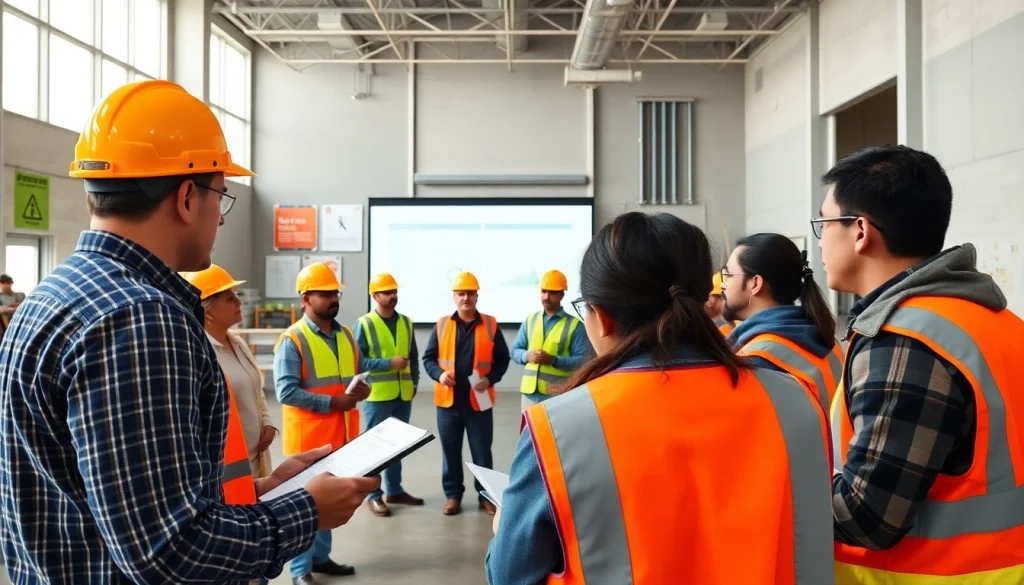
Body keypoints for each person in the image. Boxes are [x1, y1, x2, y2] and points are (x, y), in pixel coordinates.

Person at [0, 80, 380, 585]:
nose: (220, 220)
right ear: (185, 196)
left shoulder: (53, 295)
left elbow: (115, 507)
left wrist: (268, 492)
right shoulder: (138, 320)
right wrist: (305, 512)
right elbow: (167, 554)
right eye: (221, 196)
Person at [486, 211, 834, 585]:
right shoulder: (797, 403)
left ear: (601, 318)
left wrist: (507, 523)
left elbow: (509, 575)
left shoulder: (556, 429)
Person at [817, 145, 1024, 584]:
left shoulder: (905, 341)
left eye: (823, 223)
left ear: (859, 231)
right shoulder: (998, 322)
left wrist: (775, 486)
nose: (819, 241)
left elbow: (867, 516)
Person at [274, 262, 371, 584]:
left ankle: (321, 558)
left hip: (341, 436)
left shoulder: (345, 335)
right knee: (306, 505)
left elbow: (355, 374)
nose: (333, 298)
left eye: (334, 292)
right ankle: (300, 572)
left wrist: (362, 389)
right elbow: (286, 391)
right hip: (309, 442)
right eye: (325, 293)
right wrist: (333, 402)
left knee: (329, 502)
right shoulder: (293, 340)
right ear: (305, 298)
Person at [422, 271, 511, 517]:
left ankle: (486, 496)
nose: (465, 298)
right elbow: (428, 359)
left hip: (478, 403)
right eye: (461, 293)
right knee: (450, 451)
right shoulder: (441, 325)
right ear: (454, 296)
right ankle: (453, 496)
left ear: (476, 296)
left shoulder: (491, 324)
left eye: (470, 293)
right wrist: (439, 375)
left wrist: (490, 379)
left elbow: (502, 359)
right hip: (448, 403)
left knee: (482, 452)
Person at [721, 233, 842, 410]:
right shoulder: (826, 340)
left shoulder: (757, 359)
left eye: (728, 275)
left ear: (755, 283)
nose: (722, 284)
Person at [183, 264, 276, 478]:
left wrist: (268, 422)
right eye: (229, 298)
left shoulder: (238, 343)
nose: (238, 302)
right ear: (207, 310)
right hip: (228, 471)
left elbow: (256, 389)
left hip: (256, 460)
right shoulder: (200, 354)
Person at [355, 272, 424, 517]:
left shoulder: (406, 321)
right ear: (375, 296)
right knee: (375, 448)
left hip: (403, 393)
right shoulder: (364, 324)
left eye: (395, 291)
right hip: (378, 395)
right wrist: (388, 363)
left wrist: (414, 381)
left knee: (398, 447)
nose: (393, 296)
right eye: (387, 292)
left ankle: (394, 490)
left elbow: (413, 356)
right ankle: (374, 495)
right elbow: (358, 361)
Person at [511, 269, 592, 411]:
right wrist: (526, 356)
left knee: (553, 434)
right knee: (528, 433)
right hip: (529, 395)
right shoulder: (530, 320)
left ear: (562, 294)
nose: (546, 297)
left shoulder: (575, 325)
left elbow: (584, 361)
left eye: (553, 293)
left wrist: (554, 360)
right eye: (544, 291)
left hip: (557, 395)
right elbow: (515, 351)